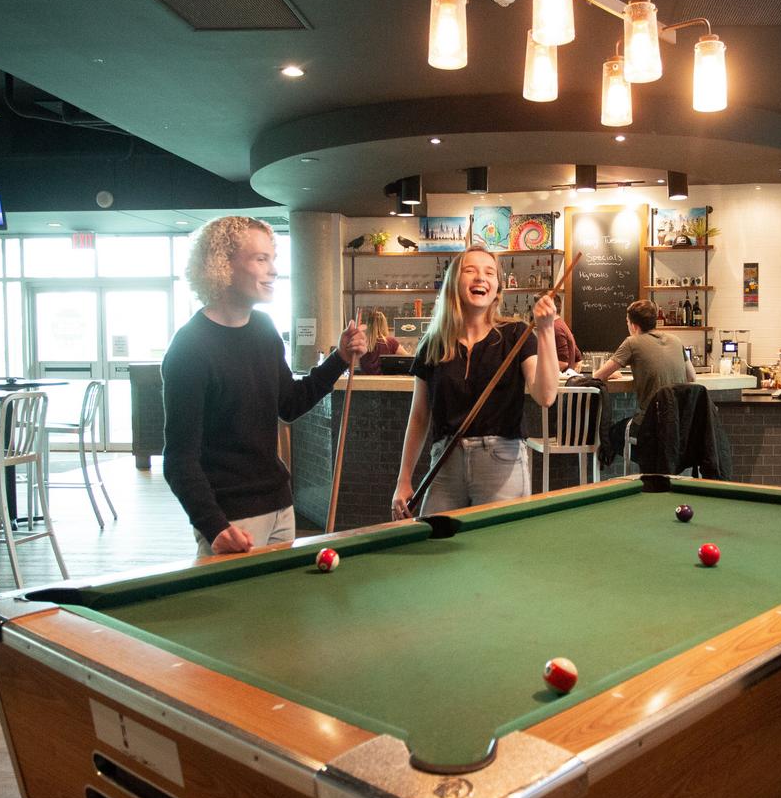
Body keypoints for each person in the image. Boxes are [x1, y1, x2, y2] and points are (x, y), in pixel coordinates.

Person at [163, 216, 365, 557]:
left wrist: (340, 358)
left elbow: (290, 404)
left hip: (280, 506)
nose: (273, 270)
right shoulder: (190, 348)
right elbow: (179, 460)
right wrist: (214, 526)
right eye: (261, 259)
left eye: (273, 259)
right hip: (232, 518)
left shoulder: (264, 329)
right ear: (222, 264)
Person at [390, 246, 559, 518]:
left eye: (490, 272)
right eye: (470, 270)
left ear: (497, 288)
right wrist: (404, 479)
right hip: (445, 462)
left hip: (501, 461)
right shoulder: (432, 343)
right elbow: (419, 417)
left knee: (498, 545)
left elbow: (546, 395)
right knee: (434, 540)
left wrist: (546, 329)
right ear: (454, 282)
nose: (481, 277)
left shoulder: (516, 334)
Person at [592, 298, 697, 458]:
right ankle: (658, 463)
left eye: (627, 322)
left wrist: (613, 374)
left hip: (651, 425)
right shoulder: (676, 340)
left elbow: (598, 376)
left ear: (633, 325)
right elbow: (692, 377)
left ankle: (649, 465)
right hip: (680, 426)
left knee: (611, 434)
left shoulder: (632, 342)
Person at [357, 307, 405, 375]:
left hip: (366, 380)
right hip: (385, 380)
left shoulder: (362, 342)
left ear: (368, 325)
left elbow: (353, 363)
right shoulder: (390, 342)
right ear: (384, 325)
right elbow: (408, 358)